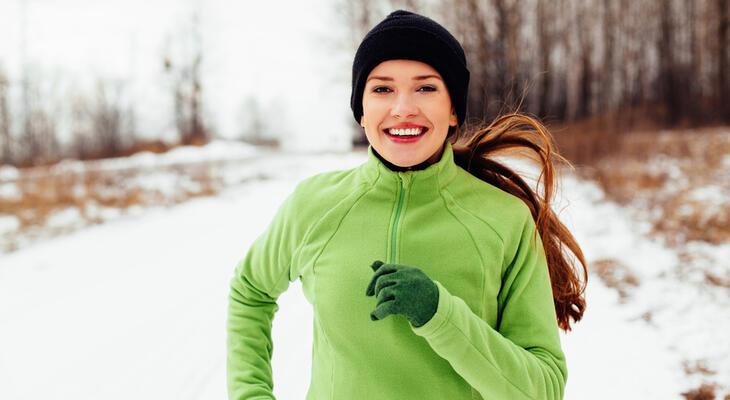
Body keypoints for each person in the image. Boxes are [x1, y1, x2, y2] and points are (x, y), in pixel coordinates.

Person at [227, 9, 587, 400]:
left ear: (453, 110)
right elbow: (250, 292)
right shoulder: (314, 206)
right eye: (382, 89)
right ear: (361, 111)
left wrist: (439, 314)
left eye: (426, 88)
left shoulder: (504, 219)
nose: (403, 108)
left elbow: (543, 389)